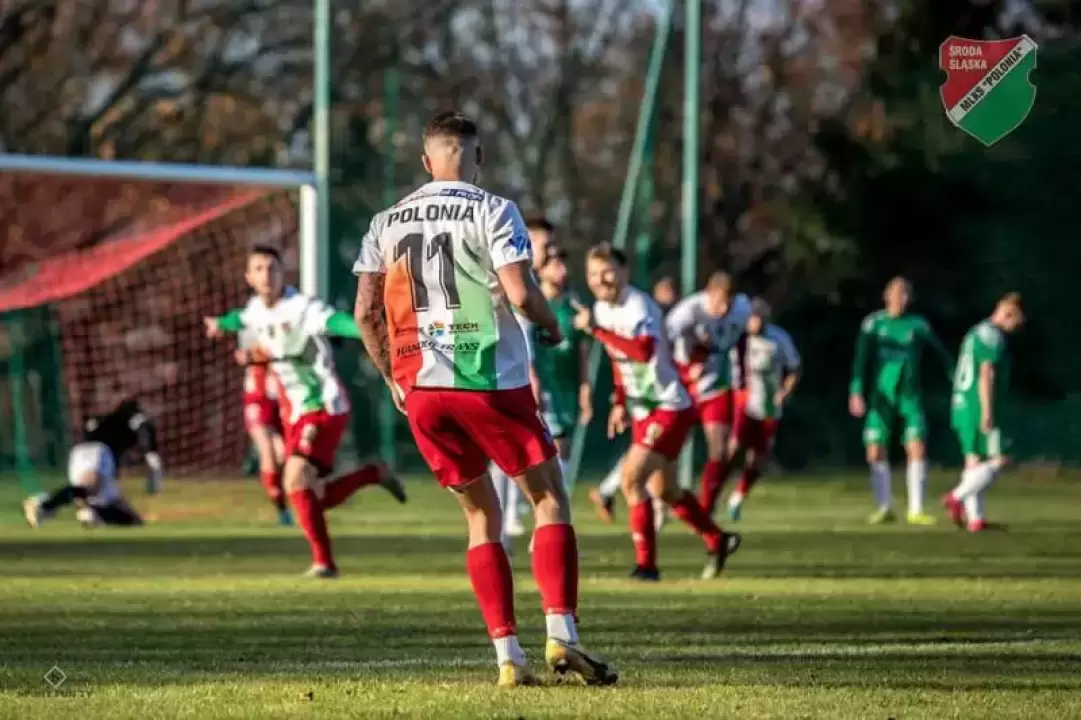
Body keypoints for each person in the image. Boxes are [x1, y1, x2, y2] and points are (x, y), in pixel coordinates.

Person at [351, 110, 615, 688]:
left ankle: (507, 658)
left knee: (480, 516)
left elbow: (365, 312)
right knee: (548, 497)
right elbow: (521, 293)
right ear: (479, 157)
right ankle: (562, 633)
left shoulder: (385, 222)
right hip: (488, 382)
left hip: (423, 389)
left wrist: (392, 375)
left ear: (426, 161)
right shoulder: (494, 209)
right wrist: (551, 325)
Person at [205, 245, 406, 578]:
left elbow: (336, 322)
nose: (266, 275)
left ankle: (324, 564)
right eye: (259, 269)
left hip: (324, 405)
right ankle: (371, 474)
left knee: (295, 477)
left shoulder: (302, 308)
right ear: (249, 277)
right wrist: (220, 323)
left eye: (272, 267)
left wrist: (367, 327)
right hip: (296, 412)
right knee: (311, 495)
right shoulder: (255, 310)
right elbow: (239, 318)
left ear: (283, 272)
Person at [573, 243, 741, 581]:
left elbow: (642, 352)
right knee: (666, 491)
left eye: (607, 271)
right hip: (644, 409)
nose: (600, 280)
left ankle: (647, 566)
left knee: (631, 479)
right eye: (593, 274)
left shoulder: (638, 305)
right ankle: (718, 538)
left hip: (669, 407)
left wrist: (596, 330)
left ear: (624, 272)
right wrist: (619, 401)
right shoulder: (602, 309)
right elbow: (618, 359)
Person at [589, 276, 693, 528]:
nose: (667, 299)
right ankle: (714, 537)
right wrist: (620, 399)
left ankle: (647, 558)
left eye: (670, 294)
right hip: (648, 402)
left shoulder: (667, 319)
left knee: (641, 471)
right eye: (663, 294)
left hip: (669, 399)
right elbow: (626, 357)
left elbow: (648, 354)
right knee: (653, 476)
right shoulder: (639, 318)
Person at [849, 277, 953, 525]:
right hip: (881, 396)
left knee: (917, 446)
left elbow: (941, 354)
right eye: (896, 294)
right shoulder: (873, 324)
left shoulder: (918, 325)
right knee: (875, 450)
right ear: (886, 296)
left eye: (905, 295)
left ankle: (916, 509)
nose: (901, 299)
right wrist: (856, 391)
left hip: (910, 396)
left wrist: (955, 380)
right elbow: (860, 360)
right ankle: (884, 506)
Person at [663, 272, 751, 517]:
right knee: (667, 448)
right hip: (684, 388)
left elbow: (742, 339)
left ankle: (706, 508)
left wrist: (742, 375)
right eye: (719, 302)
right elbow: (662, 345)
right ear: (708, 293)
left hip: (715, 387)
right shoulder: (687, 312)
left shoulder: (742, 308)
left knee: (720, 451)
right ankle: (661, 499)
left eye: (728, 304)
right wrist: (684, 370)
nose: (723, 309)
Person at [942, 293, 1024, 532]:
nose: (1015, 328)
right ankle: (956, 497)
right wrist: (987, 410)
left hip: (961, 404)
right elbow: (986, 373)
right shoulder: (992, 336)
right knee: (1001, 459)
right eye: (1016, 321)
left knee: (974, 461)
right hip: (977, 404)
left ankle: (975, 519)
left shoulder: (976, 332)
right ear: (1008, 313)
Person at [718, 299, 801, 520]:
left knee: (758, 457)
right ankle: (715, 490)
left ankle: (738, 496)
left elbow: (794, 369)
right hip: (743, 400)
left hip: (769, 405)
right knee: (733, 447)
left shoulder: (779, 339)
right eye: (753, 319)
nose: (756, 323)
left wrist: (785, 391)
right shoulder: (738, 339)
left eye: (760, 319)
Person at [23, 397, 163, 528]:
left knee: (130, 518)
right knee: (89, 488)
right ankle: (44, 505)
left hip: (83, 451)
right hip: (97, 451)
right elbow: (145, 429)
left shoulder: (105, 421)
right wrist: (152, 458)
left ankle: (93, 513)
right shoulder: (132, 415)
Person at [532, 246, 593, 476]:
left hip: (565, 389)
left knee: (561, 447)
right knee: (552, 446)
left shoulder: (573, 307)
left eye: (564, 263)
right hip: (540, 387)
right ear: (541, 270)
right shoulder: (531, 304)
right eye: (555, 264)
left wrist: (585, 389)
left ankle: (557, 492)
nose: (563, 269)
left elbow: (583, 352)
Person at [237, 329, 292, 526]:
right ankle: (281, 509)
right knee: (267, 452)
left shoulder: (287, 325)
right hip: (256, 399)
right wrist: (260, 355)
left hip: (278, 399)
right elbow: (243, 355)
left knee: (283, 454)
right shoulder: (251, 323)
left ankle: (284, 499)